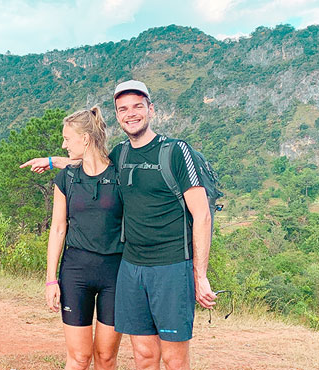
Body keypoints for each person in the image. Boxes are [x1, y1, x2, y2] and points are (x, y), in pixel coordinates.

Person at [22, 80, 216, 370]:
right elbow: (89, 165)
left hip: (170, 267)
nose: (131, 113)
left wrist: (200, 275)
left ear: (151, 109)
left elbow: (201, 215)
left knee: (174, 360)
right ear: (116, 114)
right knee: (144, 357)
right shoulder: (121, 155)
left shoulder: (175, 151)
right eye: (123, 108)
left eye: (138, 106)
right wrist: (53, 161)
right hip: (131, 269)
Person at [45, 107, 123, 370]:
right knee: (79, 358)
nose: (64, 144)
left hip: (115, 273)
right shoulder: (65, 178)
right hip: (75, 272)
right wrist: (50, 279)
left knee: (106, 358)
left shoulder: (119, 176)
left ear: (86, 139)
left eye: (68, 138)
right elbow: (58, 229)